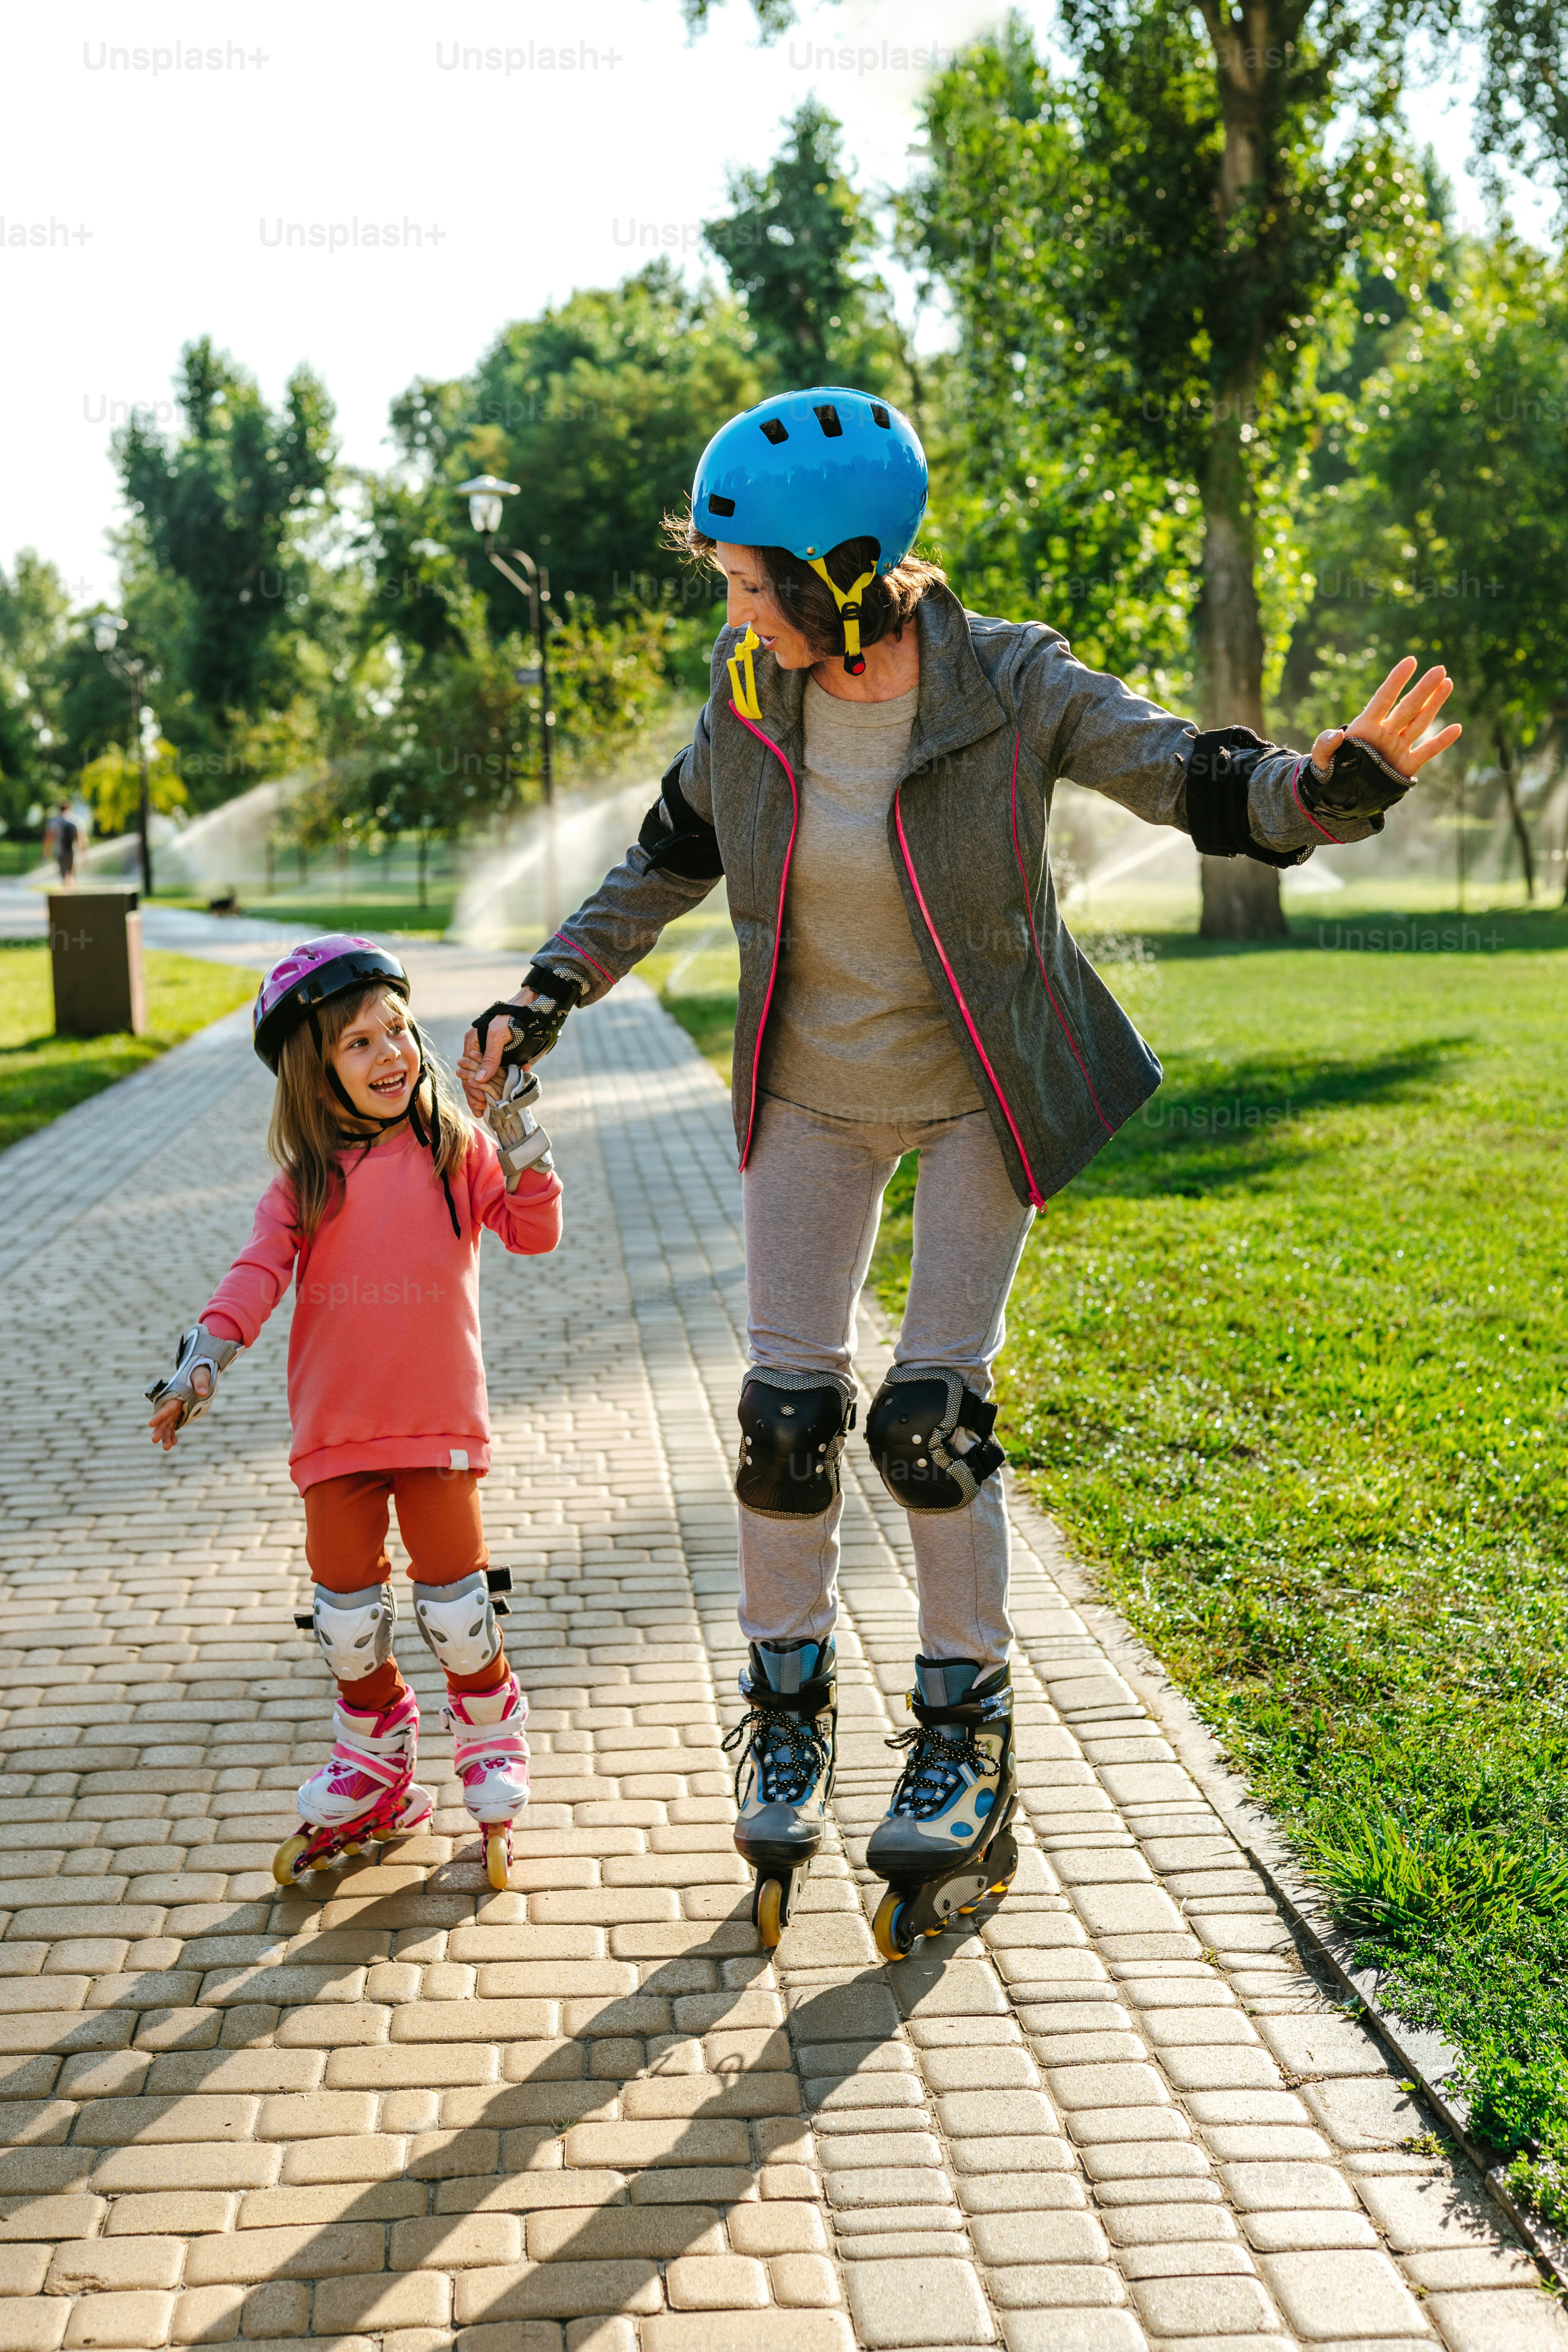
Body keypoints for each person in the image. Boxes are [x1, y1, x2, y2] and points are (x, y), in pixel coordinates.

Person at [457, 385, 1461, 1958]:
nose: (731, 609)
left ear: (840, 572)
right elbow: (661, 859)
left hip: (979, 1088)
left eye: (746, 579)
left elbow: (1195, 776)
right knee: (786, 1417)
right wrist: (549, 989)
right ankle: (784, 1710)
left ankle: (963, 1741)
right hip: (813, 1095)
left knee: (929, 1418)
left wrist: (1327, 787)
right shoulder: (749, 700)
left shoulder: (1010, 679)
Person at [146, 935, 563, 1890]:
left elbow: (534, 1231)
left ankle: (491, 1730)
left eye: (398, 1030)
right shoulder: (304, 1183)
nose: (392, 1055)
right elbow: (254, 1274)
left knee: (456, 1607)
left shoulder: (454, 1149)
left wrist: (515, 1124)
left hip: (437, 1425)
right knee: (345, 1620)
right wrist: (202, 1360)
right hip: (333, 1435)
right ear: (311, 1071)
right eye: (358, 1043)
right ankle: (376, 1757)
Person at [46, 799, 80, 887]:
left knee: (64, 875)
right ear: (70, 808)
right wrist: (84, 852)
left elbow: (49, 838)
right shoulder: (75, 820)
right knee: (71, 874)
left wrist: (46, 851)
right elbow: (80, 837)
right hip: (72, 852)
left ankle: (67, 893)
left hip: (60, 852)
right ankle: (71, 892)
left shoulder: (55, 822)